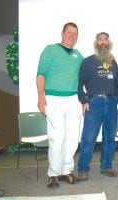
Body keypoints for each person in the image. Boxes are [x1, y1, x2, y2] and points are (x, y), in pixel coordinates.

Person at [36, 22, 84, 188]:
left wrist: (106, 59)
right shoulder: (50, 50)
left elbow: (90, 69)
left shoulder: (78, 55)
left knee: (72, 138)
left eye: (75, 33)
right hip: (53, 99)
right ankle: (53, 174)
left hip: (73, 100)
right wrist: (41, 97)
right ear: (62, 33)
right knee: (57, 138)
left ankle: (67, 170)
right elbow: (41, 74)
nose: (72, 35)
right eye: (69, 32)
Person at [77, 32, 118, 181]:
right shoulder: (87, 62)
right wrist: (84, 100)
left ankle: (106, 166)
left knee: (110, 138)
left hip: (111, 103)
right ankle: (83, 168)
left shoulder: (112, 62)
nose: (103, 42)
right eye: (100, 40)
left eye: (105, 40)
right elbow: (78, 85)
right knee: (88, 138)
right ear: (96, 43)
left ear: (108, 43)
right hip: (94, 103)